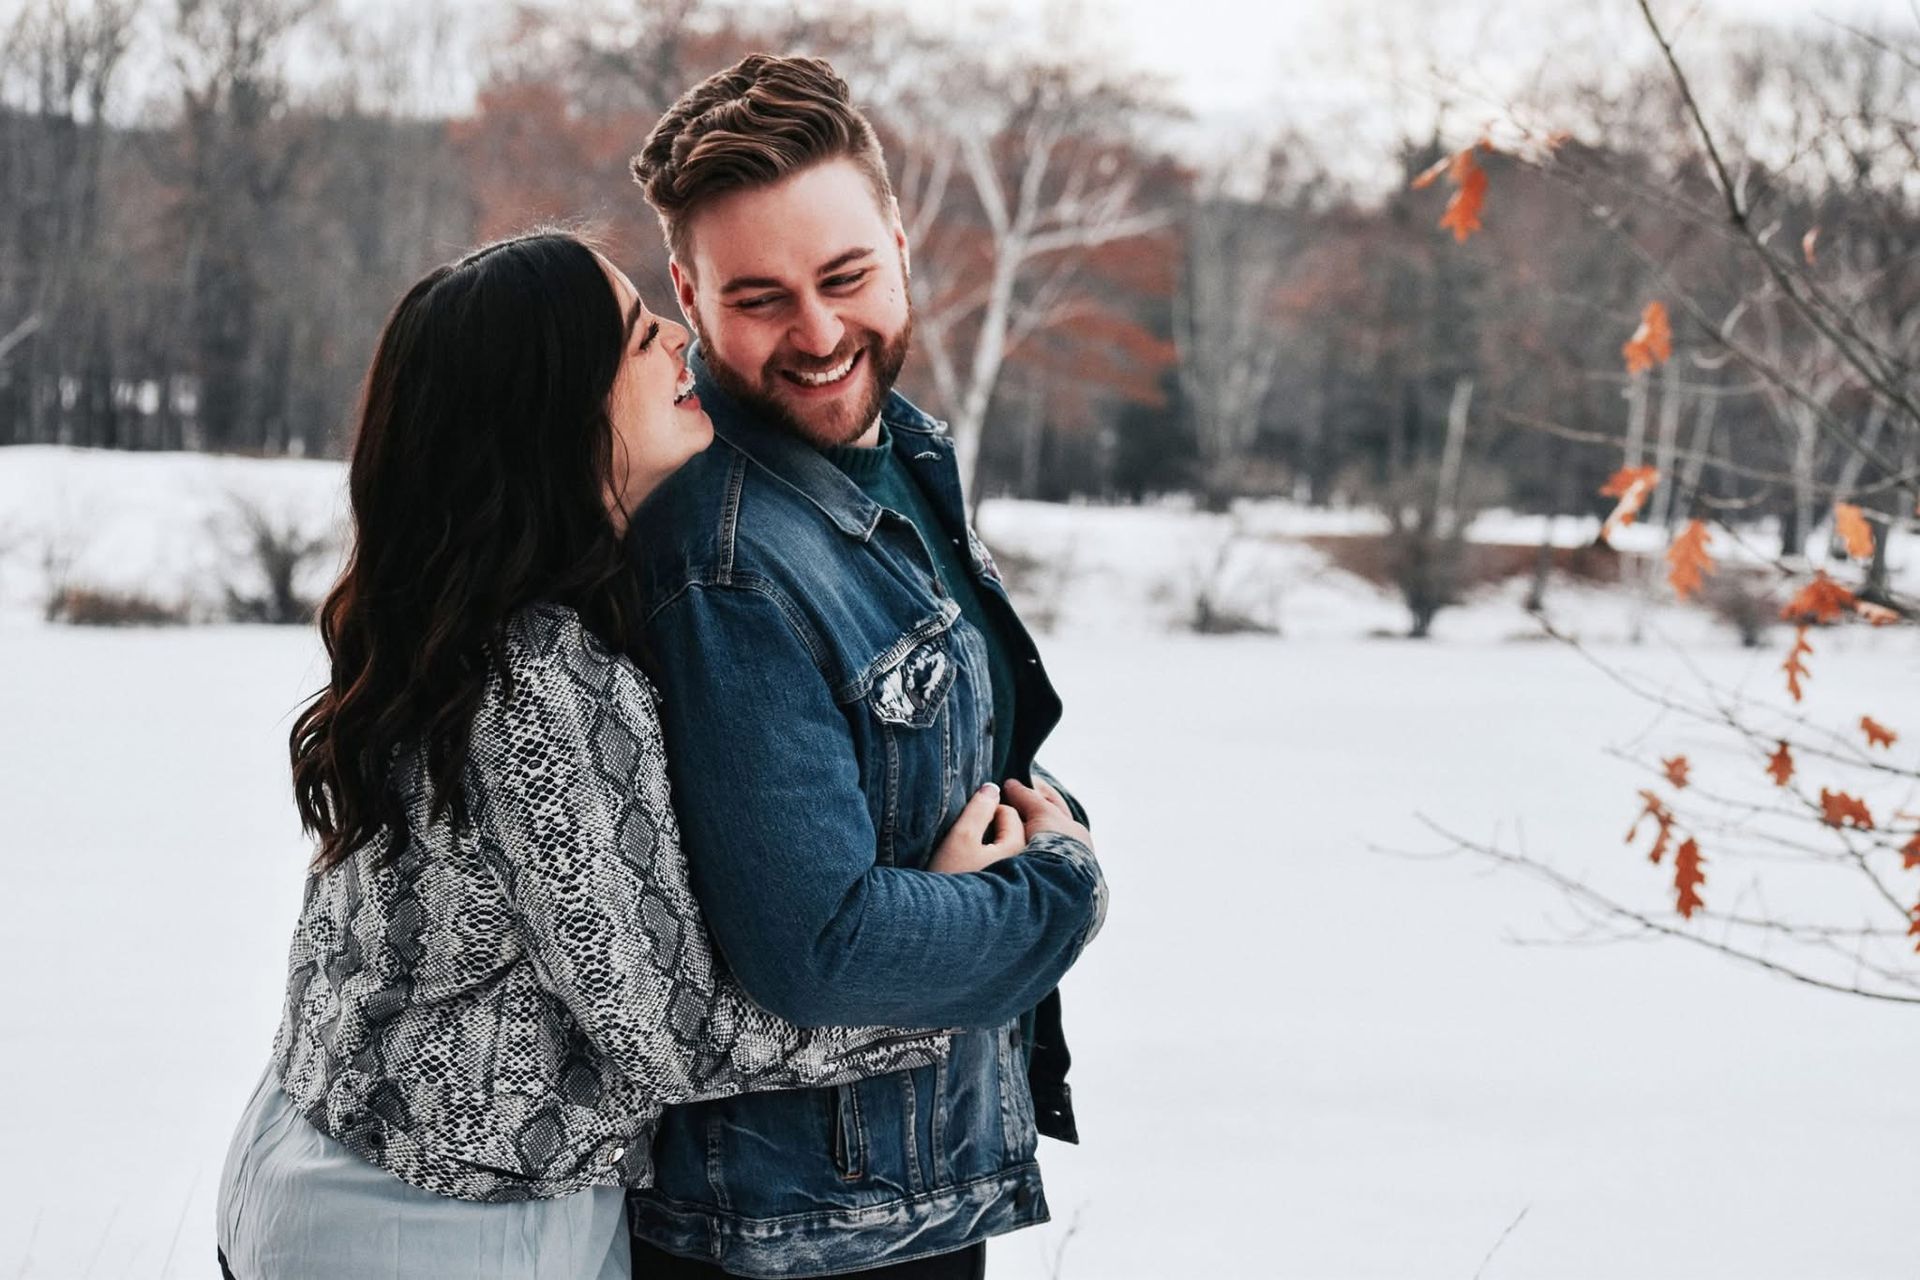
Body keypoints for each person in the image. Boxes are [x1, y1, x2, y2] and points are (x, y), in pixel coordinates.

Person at [213, 231, 1065, 1280]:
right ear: (557, 410)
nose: (677, 338)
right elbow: (678, 1032)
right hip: (436, 1226)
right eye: (634, 333)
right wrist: (952, 943)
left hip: (323, 1165)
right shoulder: (537, 680)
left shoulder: (479, 626)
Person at [623, 55, 1109, 1279]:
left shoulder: (897, 452)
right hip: (802, 1234)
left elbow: (958, 766)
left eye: (845, 276)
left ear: (899, 240)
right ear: (688, 292)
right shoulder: (726, 555)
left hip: (911, 1190)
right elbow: (818, 946)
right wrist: (1064, 888)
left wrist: (1036, 824)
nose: (822, 334)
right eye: (762, 298)